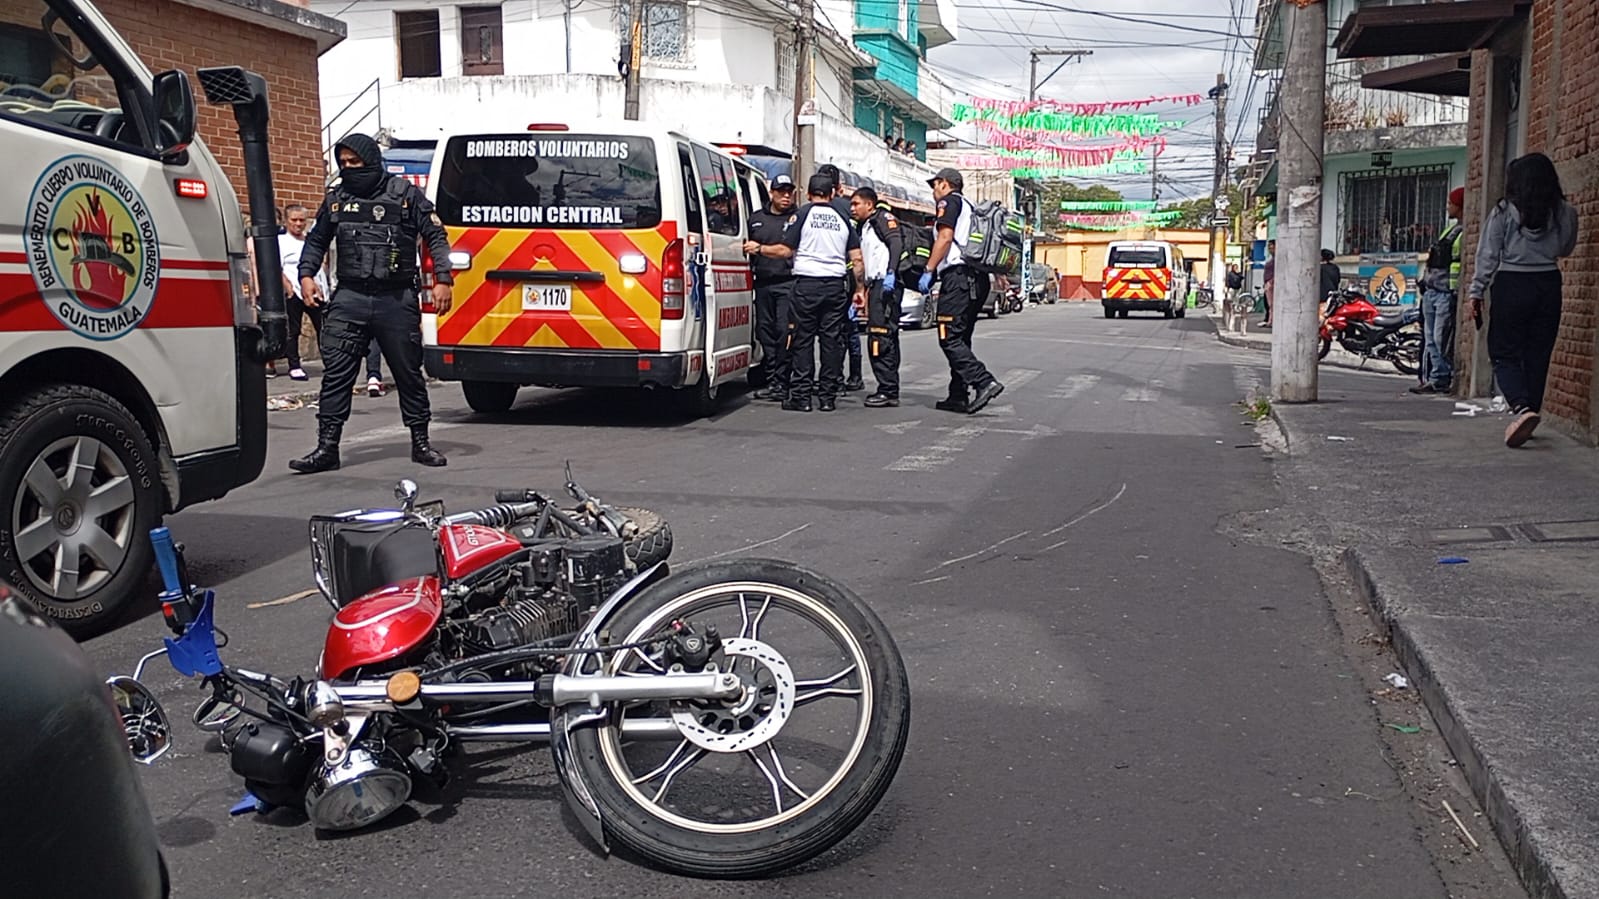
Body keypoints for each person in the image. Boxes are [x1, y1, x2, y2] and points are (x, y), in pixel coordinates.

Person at [290, 133, 454, 473]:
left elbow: (435, 235)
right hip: (350, 297)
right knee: (337, 375)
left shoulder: (405, 195)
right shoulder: (337, 199)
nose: (349, 168)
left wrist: (442, 280)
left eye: (356, 162)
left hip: (395, 299)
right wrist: (306, 276)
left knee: (408, 373)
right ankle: (327, 448)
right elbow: (317, 240)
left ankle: (421, 443)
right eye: (344, 163)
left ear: (371, 159)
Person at [1469, 153, 1579, 448]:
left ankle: (1521, 408)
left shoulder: (1504, 211)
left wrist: (1476, 291)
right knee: (1538, 353)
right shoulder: (1565, 212)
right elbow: (1566, 249)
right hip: (1548, 283)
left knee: (1503, 352)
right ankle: (1530, 412)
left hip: (1512, 283)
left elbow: (1488, 254)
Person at [770, 173, 865, 412]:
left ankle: (801, 397)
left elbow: (784, 250)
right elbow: (857, 259)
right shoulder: (843, 219)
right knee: (831, 341)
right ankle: (827, 398)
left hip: (807, 285)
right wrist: (860, 289)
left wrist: (759, 248)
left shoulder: (802, 215)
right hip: (835, 286)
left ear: (808, 193)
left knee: (802, 339)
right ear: (832, 194)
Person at [918, 167, 1005, 415]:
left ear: (944, 183)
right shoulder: (970, 205)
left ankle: (983, 381)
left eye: (934, 184)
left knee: (949, 337)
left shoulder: (949, 202)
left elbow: (945, 237)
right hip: (976, 278)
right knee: (961, 337)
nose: (933, 190)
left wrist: (929, 268)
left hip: (958, 278)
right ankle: (958, 395)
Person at [743, 174, 799, 402]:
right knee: (764, 333)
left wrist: (760, 249)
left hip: (788, 283)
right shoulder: (756, 219)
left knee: (784, 333)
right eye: (780, 191)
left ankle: (783, 382)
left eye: (789, 191)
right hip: (763, 283)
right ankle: (773, 380)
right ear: (771, 193)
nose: (785, 196)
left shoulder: (797, 218)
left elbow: (791, 250)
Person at [850, 187, 904, 407]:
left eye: (856, 204)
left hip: (886, 285)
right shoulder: (866, 226)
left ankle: (887, 389)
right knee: (883, 335)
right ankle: (889, 388)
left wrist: (891, 272)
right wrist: (861, 291)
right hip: (875, 285)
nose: (852, 208)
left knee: (880, 336)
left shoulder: (882, 218)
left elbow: (896, 243)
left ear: (869, 204)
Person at [1412, 187, 1466, 395]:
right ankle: (1437, 378)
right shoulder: (1449, 230)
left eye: (1451, 203)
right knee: (1431, 338)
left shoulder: (1463, 233)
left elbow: (1456, 263)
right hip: (1432, 289)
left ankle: (1444, 376)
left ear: (1459, 206)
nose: (1447, 207)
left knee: (1441, 337)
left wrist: (1453, 291)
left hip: (1445, 292)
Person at [815, 163, 864, 391]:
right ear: (838, 186)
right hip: (850, 274)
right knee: (849, 328)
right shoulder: (849, 208)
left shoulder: (813, 209)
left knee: (827, 331)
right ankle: (854, 376)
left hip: (823, 276)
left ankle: (833, 377)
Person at [277, 204, 327, 381]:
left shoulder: (310, 241)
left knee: (324, 328)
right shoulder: (281, 241)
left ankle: (330, 363)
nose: (298, 224)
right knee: (293, 330)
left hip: (315, 291)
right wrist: (288, 287)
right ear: (286, 221)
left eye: (302, 220)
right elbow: (277, 266)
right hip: (295, 291)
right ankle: (294, 365)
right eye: (294, 220)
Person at [1261, 240, 1276, 327]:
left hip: (1271, 284)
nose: (1270, 250)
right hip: (1268, 283)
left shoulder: (1277, 259)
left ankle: (1271, 321)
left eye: (1272, 247)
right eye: (1269, 248)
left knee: (1272, 304)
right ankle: (1269, 320)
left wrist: (1271, 282)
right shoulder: (1272, 259)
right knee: (1269, 304)